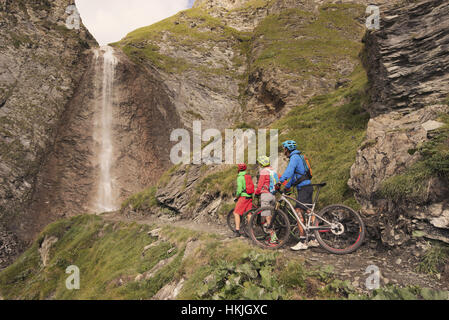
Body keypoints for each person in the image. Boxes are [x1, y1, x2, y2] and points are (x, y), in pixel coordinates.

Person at [279, 140, 319, 250]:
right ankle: (313, 239)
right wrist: (287, 187)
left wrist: (280, 181)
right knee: (308, 211)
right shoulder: (298, 157)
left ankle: (302, 241)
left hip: (304, 189)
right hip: (307, 187)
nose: (284, 151)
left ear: (287, 149)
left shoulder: (294, 157)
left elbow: (289, 172)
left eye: (284, 149)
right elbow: (295, 177)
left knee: (298, 212)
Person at [254, 156, 278, 246]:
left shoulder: (263, 172)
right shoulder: (273, 171)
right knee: (271, 216)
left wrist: (256, 193)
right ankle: (272, 234)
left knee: (267, 216)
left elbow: (260, 185)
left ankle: (273, 238)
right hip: (273, 195)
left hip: (265, 195)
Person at [233, 163, 253, 237]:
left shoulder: (240, 177)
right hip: (250, 197)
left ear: (238, 169)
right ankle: (251, 231)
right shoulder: (248, 176)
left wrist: (237, 196)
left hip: (243, 197)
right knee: (249, 214)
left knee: (236, 213)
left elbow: (239, 190)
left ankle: (237, 231)